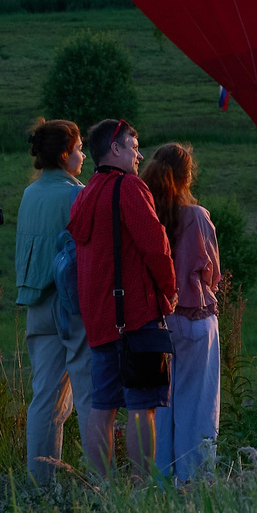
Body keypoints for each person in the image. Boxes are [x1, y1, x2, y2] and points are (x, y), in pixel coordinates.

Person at [67, 118, 174, 478]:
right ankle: (143, 492)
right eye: (133, 145)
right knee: (142, 407)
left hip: (99, 320)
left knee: (102, 407)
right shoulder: (130, 187)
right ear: (115, 148)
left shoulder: (85, 195)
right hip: (137, 316)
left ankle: (103, 489)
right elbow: (156, 246)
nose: (139, 154)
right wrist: (169, 291)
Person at [16, 119, 108, 485]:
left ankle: (40, 484)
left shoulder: (29, 194)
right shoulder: (78, 195)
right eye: (80, 148)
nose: (84, 154)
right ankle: (100, 482)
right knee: (88, 393)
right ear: (65, 154)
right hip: (72, 304)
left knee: (45, 398)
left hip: (36, 303)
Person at [144, 142, 222, 483]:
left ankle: (159, 482)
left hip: (155, 320)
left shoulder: (147, 216)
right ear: (187, 177)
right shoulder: (197, 216)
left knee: (159, 407)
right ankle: (194, 482)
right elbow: (212, 273)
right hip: (194, 316)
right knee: (199, 406)